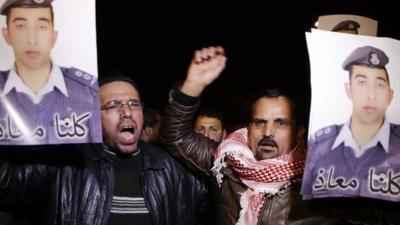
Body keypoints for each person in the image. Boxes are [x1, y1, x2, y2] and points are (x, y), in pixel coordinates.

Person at [160, 46, 337, 225]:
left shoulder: (322, 177)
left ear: (299, 132)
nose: (268, 132)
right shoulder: (225, 163)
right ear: (249, 128)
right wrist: (192, 86)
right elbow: (176, 136)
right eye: (260, 122)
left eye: (281, 123)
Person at [0, 75, 208, 225]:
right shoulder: (66, 164)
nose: (126, 112)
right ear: (93, 116)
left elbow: (224, 196)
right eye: (112, 105)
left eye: (133, 104)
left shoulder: (168, 167)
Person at [302, 45, 400, 202]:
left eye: (380, 84)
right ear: (348, 89)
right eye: (362, 82)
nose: (371, 95)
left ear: (390, 95)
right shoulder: (320, 147)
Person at [0, 0, 100, 145]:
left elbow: (98, 158)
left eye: (41, 27)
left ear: (53, 36)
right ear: (6, 34)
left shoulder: (89, 93)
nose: (32, 40)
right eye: (21, 26)